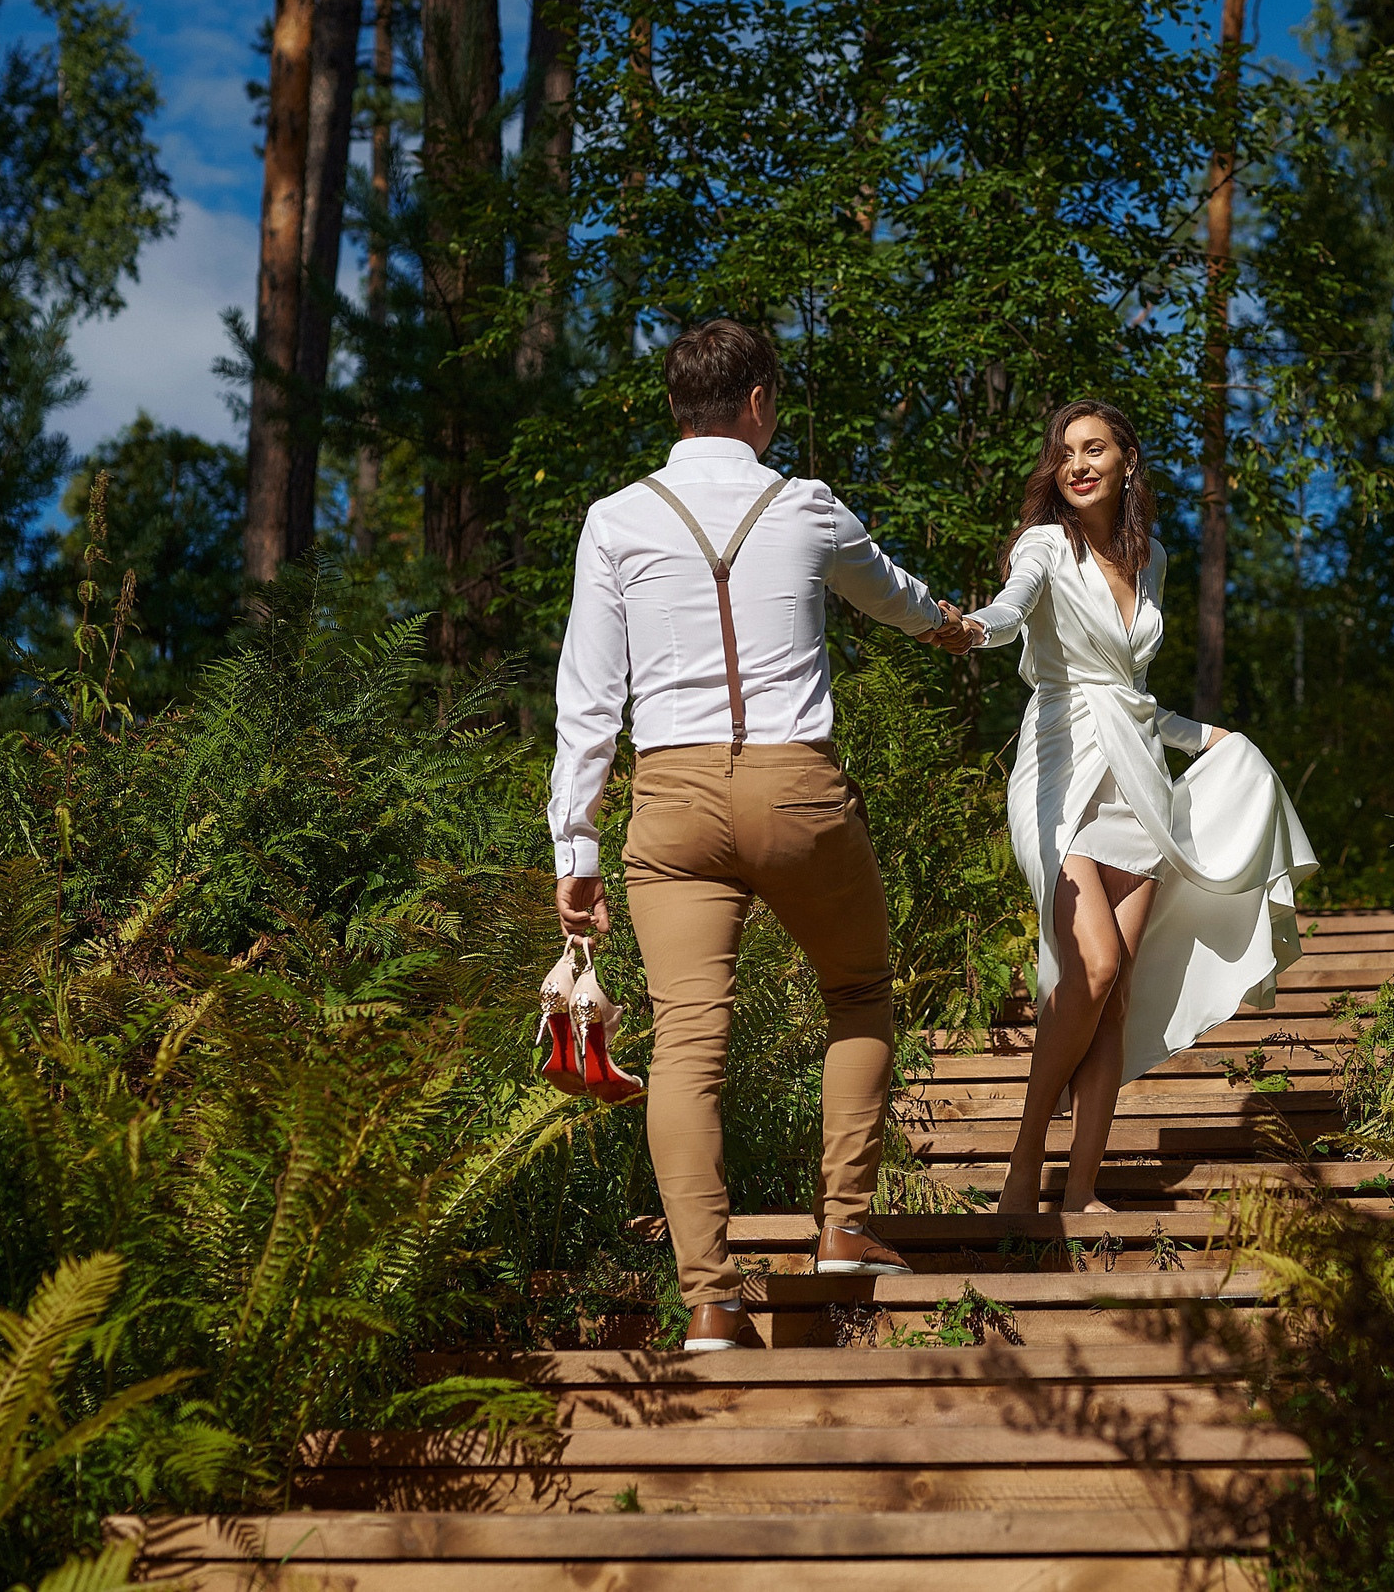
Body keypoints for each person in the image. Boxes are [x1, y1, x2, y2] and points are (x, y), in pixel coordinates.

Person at [548, 315, 970, 1352]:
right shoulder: (807, 507)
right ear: (758, 403)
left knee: (690, 1045)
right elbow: (898, 600)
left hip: (673, 803)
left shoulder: (614, 518)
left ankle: (710, 1300)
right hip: (799, 795)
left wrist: (577, 847)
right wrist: (955, 624)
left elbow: (588, 698)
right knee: (859, 990)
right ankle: (843, 1229)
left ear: (674, 407)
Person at [953, 400, 1316, 1214]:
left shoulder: (1151, 558)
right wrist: (973, 629)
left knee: (1112, 996)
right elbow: (1011, 610)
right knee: (1096, 964)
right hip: (1058, 772)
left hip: (1139, 781)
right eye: (1065, 453)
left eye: (1094, 449)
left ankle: (1079, 1190)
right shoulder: (1044, 545)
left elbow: (1136, 696)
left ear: (1126, 461)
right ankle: (1024, 1163)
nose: (1076, 464)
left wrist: (1211, 738)